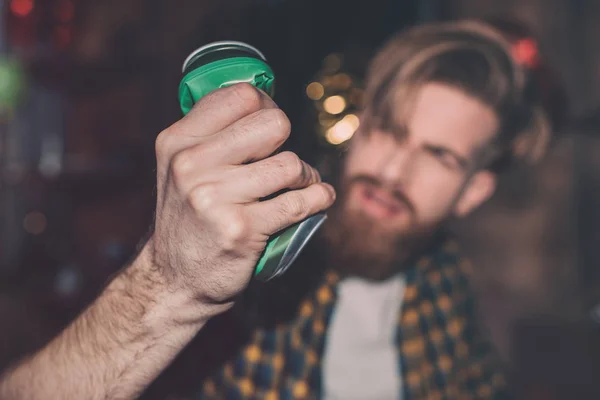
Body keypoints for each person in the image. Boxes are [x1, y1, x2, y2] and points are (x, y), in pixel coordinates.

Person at [0, 18, 557, 399]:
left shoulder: (452, 305)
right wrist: (171, 282)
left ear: (475, 191)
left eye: (438, 156)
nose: (392, 172)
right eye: (389, 130)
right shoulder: (247, 266)